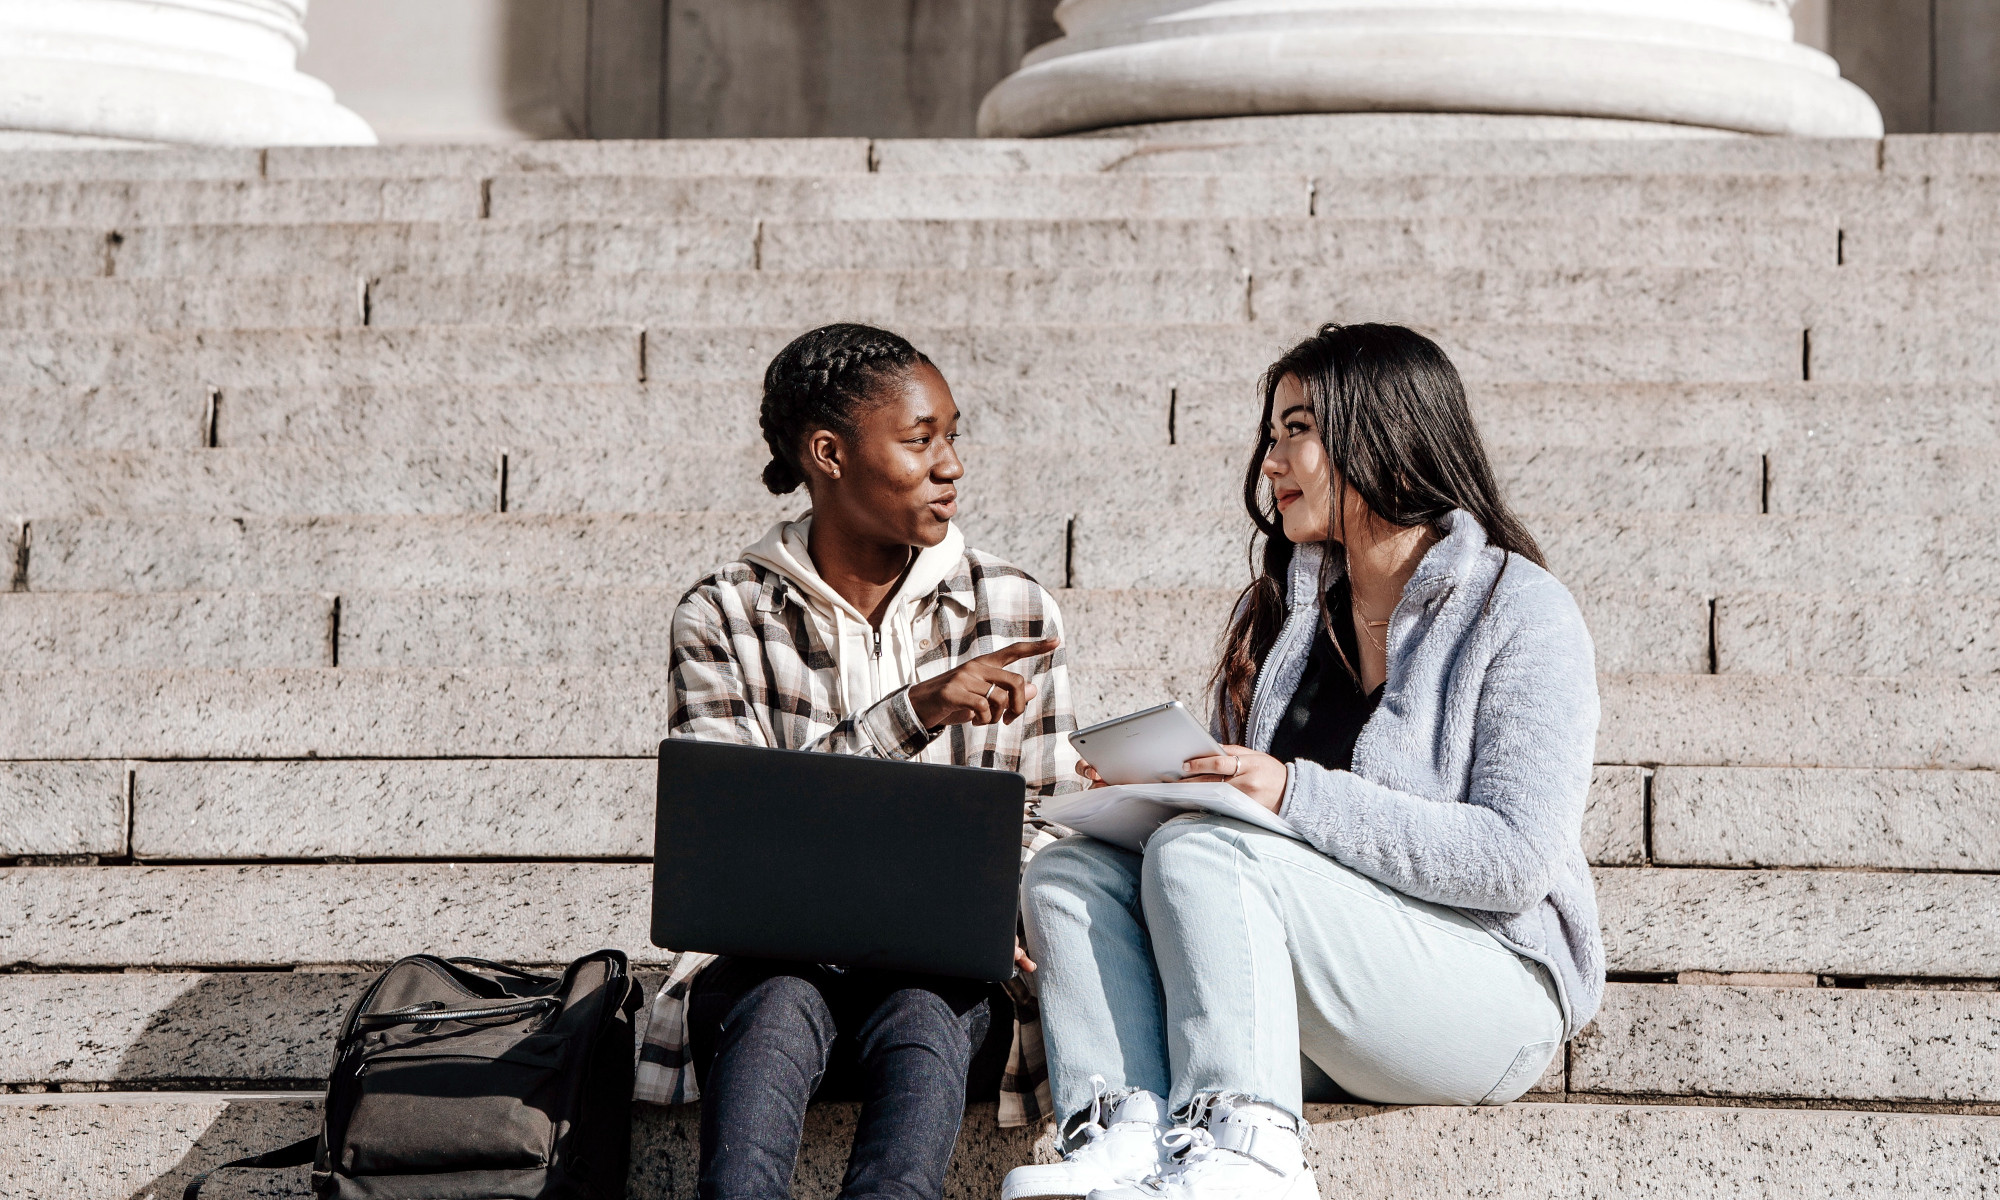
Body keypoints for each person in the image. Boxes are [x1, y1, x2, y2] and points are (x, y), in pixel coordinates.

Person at [1003, 324, 1604, 1200]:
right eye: (1270, 435)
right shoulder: (1284, 618)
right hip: (1320, 997)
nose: (1271, 462)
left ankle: (1251, 1157)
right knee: (1070, 872)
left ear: (1385, 436)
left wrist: (1288, 791)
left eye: (1298, 431)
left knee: (1204, 850)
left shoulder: (1522, 612)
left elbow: (1514, 859)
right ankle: (1123, 1135)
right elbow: (1243, 859)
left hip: (1490, 988)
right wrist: (1162, 792)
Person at [633, 323, 1079, 1200]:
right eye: (920, 441)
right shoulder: (725, 613)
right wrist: (911, 713)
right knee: (771, 1003)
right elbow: (739, 833)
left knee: (925, 1011)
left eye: (951, 435)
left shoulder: (1011, 606)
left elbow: (1055, 812)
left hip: (941, 978)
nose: (950, 465)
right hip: (769, 969)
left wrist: (1009, 906)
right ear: (828, 453)